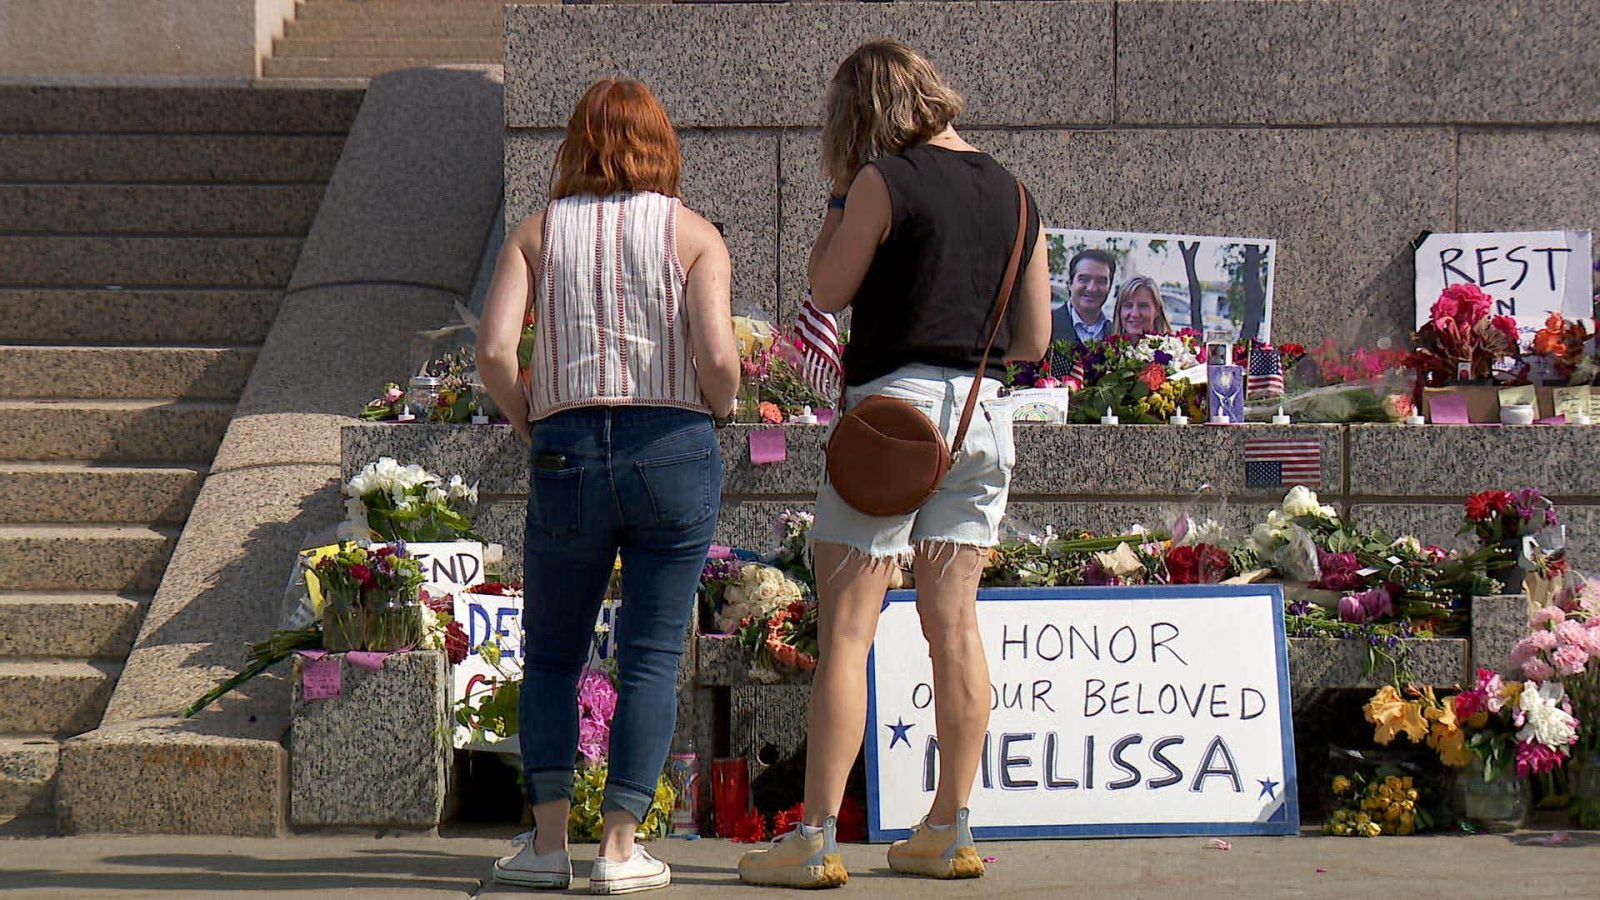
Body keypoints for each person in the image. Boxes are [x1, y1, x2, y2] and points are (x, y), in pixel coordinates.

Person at [737, 40, 1049, 889]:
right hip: (983, 415)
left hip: (892, 419)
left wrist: (841, 198)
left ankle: (811, 837)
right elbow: (1033, 339)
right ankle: (948, 827)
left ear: (863, 113)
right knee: (955, 625)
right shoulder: (1017, 194)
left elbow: (827, 289)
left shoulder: (882, 181)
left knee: (848, 629)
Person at [475, 78, 740, 895]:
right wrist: (722, 408)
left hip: (568, 448)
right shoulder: (694, 234)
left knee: (553, 655)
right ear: (661, 145)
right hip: (673, 447)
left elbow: (493, 352)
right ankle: (620, 850)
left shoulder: (536, 232)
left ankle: (548, 844)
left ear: (575, 146)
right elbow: (719, 360)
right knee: (651, 658)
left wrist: (533, 423)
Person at [1111, 274, 1171, 339]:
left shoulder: (1172, 345)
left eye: (1143, 306)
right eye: (1128, 305)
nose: (1135, 314)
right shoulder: (1106, 344)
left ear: (1157, 310)